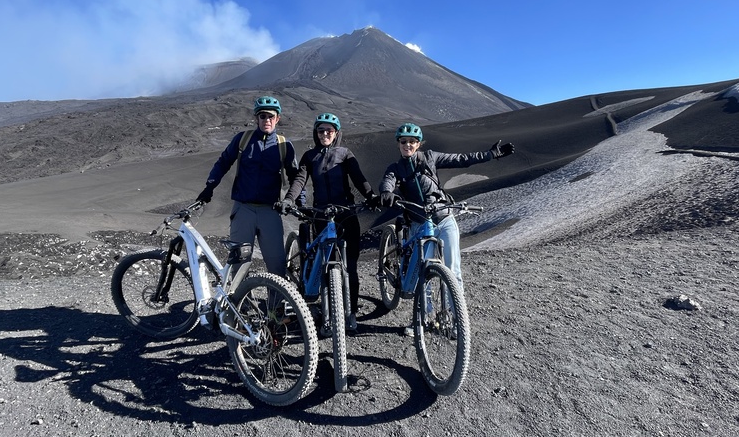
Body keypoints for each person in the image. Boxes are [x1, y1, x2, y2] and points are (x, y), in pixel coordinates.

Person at [378, 122, 514, 291]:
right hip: (418, 222)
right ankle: (425, 314)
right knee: (422, 273)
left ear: (418, 143)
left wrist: (491, 154)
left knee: (453, 270)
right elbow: (388, 180)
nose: (408, 145)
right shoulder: (396, 168)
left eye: (412, 141)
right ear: (398, 143)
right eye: (404, 141)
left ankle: (456, 313)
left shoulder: (429, 157)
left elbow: (461, 160)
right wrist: (386, 192)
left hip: (443, 217)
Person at [280, 112, 377, 332]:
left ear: (336, 133)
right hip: (322, 216)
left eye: (329, 131)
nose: (325, 134)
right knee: (327, 265)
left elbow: (359, 178)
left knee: (350, 266)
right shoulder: (309, 156)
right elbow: (300, 181)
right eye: (321, 131)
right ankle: (327, 313)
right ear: (316, 133)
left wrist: (371, 196)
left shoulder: (345, 153)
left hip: (346, 214)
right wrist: (288, 199)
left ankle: (351, 312)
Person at [196, 96, 298, 277]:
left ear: (278, 118)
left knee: (276, 264)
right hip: (243, 210)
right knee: (239, 263)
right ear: (256, 118)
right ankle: (238, 304)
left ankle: (276, 304)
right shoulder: (243, 139)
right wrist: (209, 187)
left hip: (270, 211)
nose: (267, 120)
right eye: (263, 116)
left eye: (271, 117)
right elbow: (223, 162)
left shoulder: (284, 146)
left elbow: (296, 177)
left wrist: (297, 201)